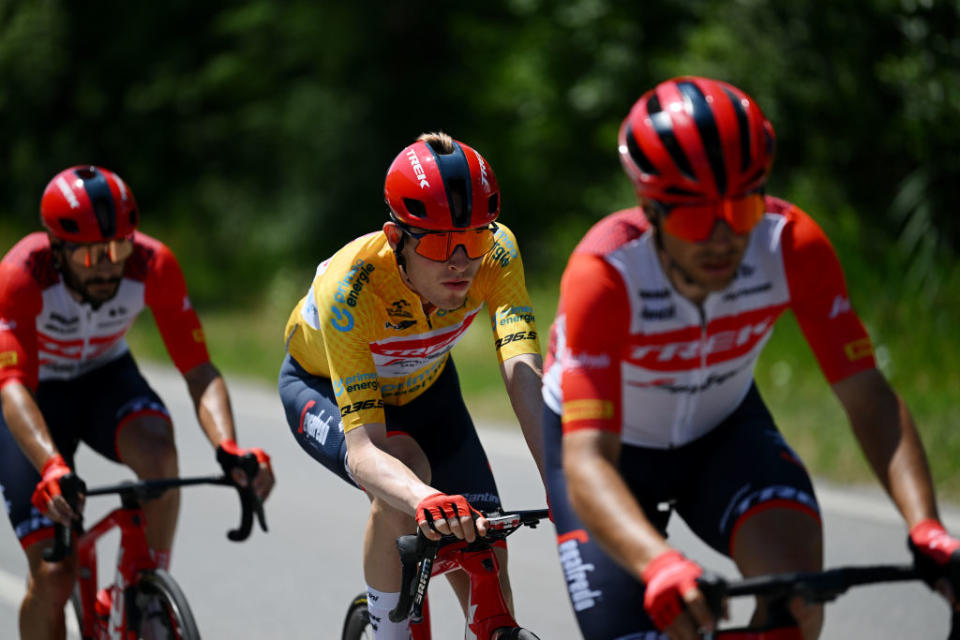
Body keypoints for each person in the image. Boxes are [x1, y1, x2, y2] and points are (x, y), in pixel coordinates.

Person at [541, 76, 960, 640]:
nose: (721, 237)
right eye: (694, 217)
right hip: (611, 460)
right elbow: (589, 459)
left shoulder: (791, 246)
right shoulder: (606, 275)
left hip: (723, 434)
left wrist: (926, 526)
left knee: (797, 594)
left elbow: (866, 394)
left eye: (741, 208)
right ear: (651, 209)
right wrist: (661, 564)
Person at [279, 132, 545, 639]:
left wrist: (559, 475)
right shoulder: (351, 288)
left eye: (476, 237)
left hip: (429, 389)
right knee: (406, 476)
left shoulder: (498, 254)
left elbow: (523, 376)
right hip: (323, 389)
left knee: (487, 555)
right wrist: (423, 498)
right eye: (443, 243)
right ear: (396, 238)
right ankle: (388, 632)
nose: (462, 261)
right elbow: (366, 452)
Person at [0, 165, 275, 639]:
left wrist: (227, 446)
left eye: (118, 248)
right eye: (90, 256)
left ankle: (144, 594)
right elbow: (12, 385)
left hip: (105, 378)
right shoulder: (24, 273)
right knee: (53, 576)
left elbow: (199, 369)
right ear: (57, 249)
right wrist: (50, 467)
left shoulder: (153, 264)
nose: (108, 265)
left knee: (160, 454)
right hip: (33, 397)